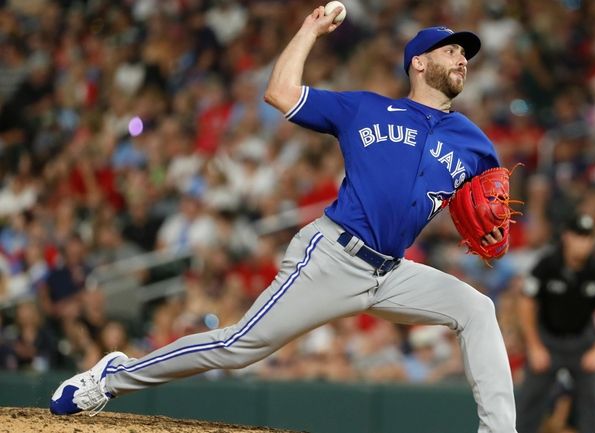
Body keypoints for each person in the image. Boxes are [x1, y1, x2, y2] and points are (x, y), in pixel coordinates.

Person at [50, 6, 518, 432]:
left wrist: (493, 228)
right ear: (418, 62)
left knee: (476, 309)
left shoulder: (474, 141)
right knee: (239, 347)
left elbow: (489, 205)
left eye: (465, 54)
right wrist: (309, 30)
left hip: (393, 271)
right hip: (334, 257)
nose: (462, 59)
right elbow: (279, 93)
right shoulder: (366, 107)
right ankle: (114, 376)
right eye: (451, 50)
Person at [516, 213, 595, 433]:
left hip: (582, 342)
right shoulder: (547, 264)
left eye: (588, 237)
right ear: (567, 237)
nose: (583, 243)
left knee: (592, 405)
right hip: (548, 340)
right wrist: (534, 346)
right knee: (528, 404)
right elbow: (526, 303)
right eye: (578, 236)